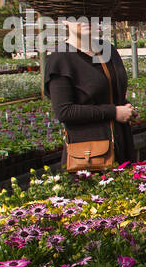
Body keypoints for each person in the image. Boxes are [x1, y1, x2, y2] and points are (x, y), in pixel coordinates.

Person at [44, 19, 137, 167]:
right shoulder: (61, 58)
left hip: (121, 143)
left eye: (91, 14)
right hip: (91, 154)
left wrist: (126, 107)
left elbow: (112, 92)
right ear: (65, 21)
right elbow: (64, 112)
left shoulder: (108, 49)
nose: (86, 20)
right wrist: (113, 112)